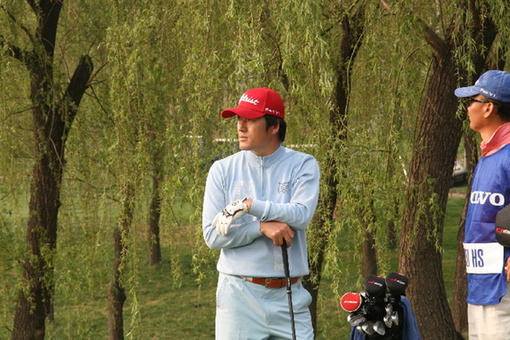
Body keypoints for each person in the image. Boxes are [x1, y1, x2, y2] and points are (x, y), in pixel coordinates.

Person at [202, 87, 320, 340]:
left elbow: (301, 215)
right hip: (238, 296)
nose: (241, 127)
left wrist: (249, 205)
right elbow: (212, 236)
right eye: (239, 119)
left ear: (274, 126)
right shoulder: (221, 170)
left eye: (251, 120)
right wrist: (260, 228)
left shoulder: (304, 164)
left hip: (290, 293)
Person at [455, 70, 510, 340]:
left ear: (488, 107)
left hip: (504, 290)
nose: (468, 108)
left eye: (471, 100)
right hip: (480, 287)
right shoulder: (489, 156)